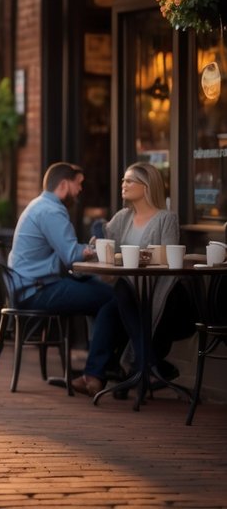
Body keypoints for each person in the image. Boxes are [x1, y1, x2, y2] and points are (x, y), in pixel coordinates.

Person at [8, 161, 129, 397]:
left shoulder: (39, 205)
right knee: (114, 299)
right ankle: (96, 372)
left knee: (110, 297)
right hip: (37, 289)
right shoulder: (51, 210)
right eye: (78, 184)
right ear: (64, 185)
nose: (80, 190)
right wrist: (96, 249)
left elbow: (69, 255)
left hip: (31, 285)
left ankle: (103, 367)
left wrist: (86, 250)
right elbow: (71, 254)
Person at [104, 162, 194, 379]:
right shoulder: (121, 217)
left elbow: (168, 255)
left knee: (119, 296)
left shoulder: (166, 218)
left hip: (163, 292)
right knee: (115, 298)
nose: (123, 184)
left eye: (129, 180)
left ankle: (136, 365)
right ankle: (149, 362)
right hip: (130, 293)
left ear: (146, 186)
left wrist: (139, 257)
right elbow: (107, 245)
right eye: (123, 180)